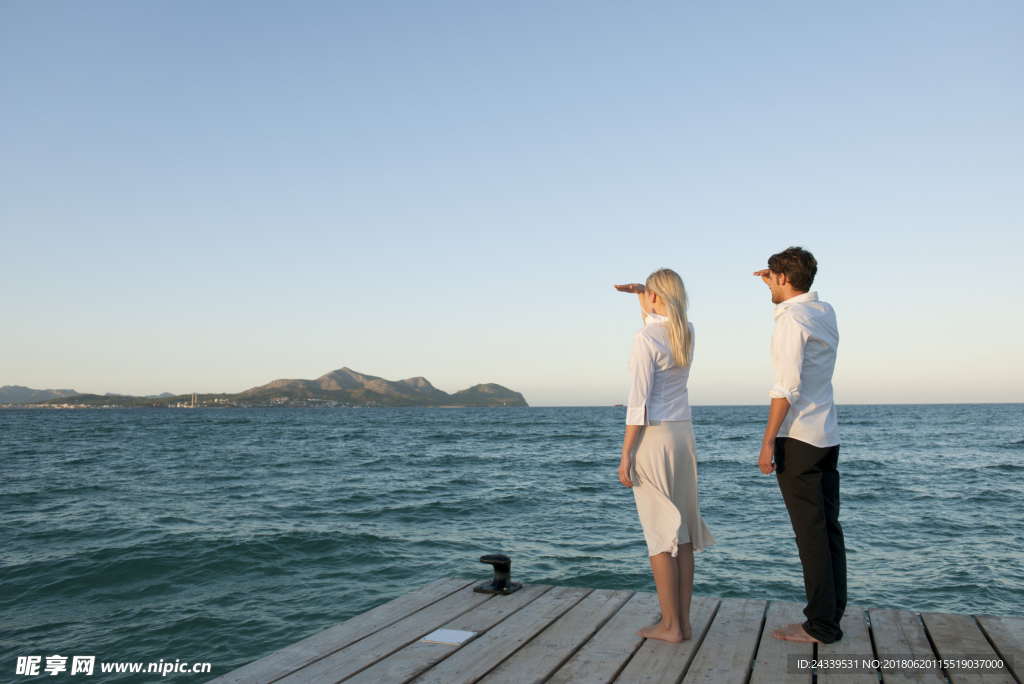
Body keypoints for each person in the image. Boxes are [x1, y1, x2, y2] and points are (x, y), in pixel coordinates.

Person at [614, 269, 714, 643]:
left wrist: (626, 454)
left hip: (654, 437)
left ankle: (670, 626)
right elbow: (660, 320)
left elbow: (637, 402)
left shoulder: (645, 338)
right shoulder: (685, 332)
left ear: (655, 297)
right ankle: (683, 623)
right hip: (683, 435)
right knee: (683, 533)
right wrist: (646, 296)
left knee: (660, 535)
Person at [754, 246, 846, 644]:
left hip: (800, 437)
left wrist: (767, 440)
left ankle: (820, 625)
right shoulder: (823, 312)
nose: (768, 283)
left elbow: (786, 386)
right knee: (827, 531)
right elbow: (788, 291)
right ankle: (829, 616)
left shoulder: (791, 320)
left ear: (785, 279)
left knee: (810, 536)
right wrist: (774, 276)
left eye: (772, 277)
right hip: (826, 436)